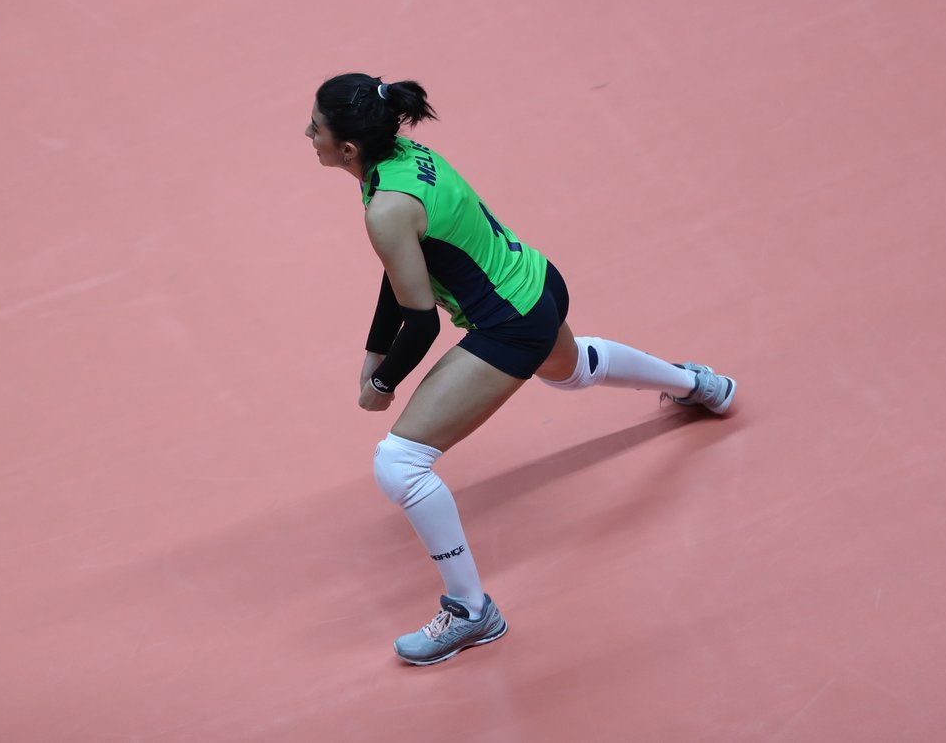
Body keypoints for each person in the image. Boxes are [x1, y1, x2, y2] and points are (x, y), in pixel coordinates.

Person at [306, 73, 738, 666]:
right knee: (572, 370)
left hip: (509, 323)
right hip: (538, 282)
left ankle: (470, 612)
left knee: (399, 464)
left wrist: (382, 385)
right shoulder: (402, 157)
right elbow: (404, 266)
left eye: (316, 128)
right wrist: (375, 350)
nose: (309, 135)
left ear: (348, 148)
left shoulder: (385, 206)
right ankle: (700, 384)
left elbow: (423, 322)